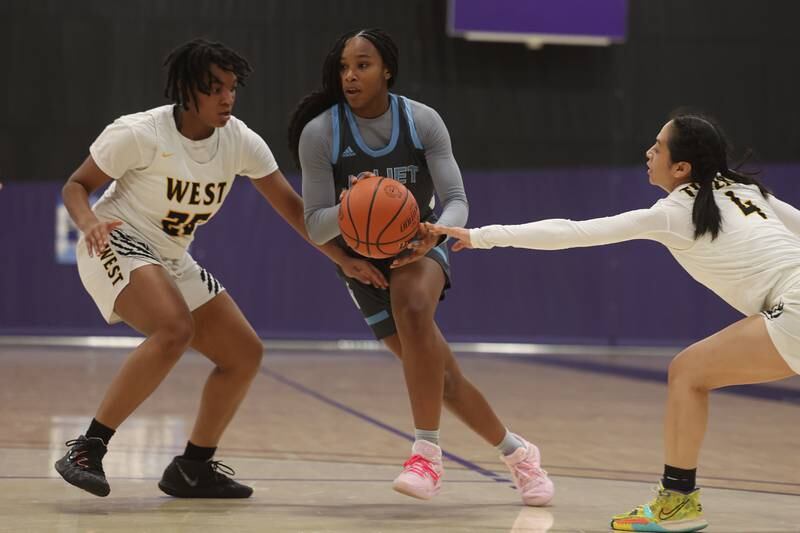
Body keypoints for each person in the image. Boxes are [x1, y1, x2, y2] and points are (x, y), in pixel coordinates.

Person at [427, 114, 800, 532]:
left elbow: (573, 232)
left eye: (658, 146)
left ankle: (677, 503)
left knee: (688, 373)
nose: (649, 151)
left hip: (795, 304)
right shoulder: (748, 192)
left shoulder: (673, 213)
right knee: (691, 372)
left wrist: (480, 236)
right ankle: (677, 503)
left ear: (681, 168)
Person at [57, 38, 347, 499]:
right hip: (115, 239)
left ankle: (193, 467)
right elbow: (77, 184)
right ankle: (88, 447)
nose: (227, 98)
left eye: (232, 88)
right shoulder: (139, 132)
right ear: (187, 90)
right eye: (215, 88)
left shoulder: (240, 141)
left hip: (170, 255)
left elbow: (294, 210)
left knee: (244, 354)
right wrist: (89, 221)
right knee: (175, 328)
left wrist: (347, 261)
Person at [288, 28, 554, 504]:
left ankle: (426, 454)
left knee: (412, 309)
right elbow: (314, 224)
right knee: (441, 377)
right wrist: (351, 208)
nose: (350, 75)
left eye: (362, 65)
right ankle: (519, 454)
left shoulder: (421, 121)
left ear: (386, 68)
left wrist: (436, 232)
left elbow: (455, 201)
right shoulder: (321, 133)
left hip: (419, 243)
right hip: (361, 262)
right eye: (344, 67)